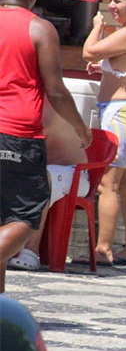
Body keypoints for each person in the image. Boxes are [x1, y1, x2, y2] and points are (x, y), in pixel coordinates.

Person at [0, 0, 91, 293]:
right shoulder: (39, 28)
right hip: (17, 136)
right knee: (28, 217)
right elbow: (56, 91)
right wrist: (81, 127)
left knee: (3, 225)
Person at [81, 0, 126, 266]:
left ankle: (102, 248)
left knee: (107, 186)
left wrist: (97, 28)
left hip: (119, 116)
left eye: (117, 1)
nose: (111, 5)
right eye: (109, 0)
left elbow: (88, 52)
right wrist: (109, 70)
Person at [8, 100, 91, 271]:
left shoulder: (48, 104)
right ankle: (9, 249)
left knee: (41, 179)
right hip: (39, 169)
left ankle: (31, 251)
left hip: (75, 173)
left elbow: (23, 143)